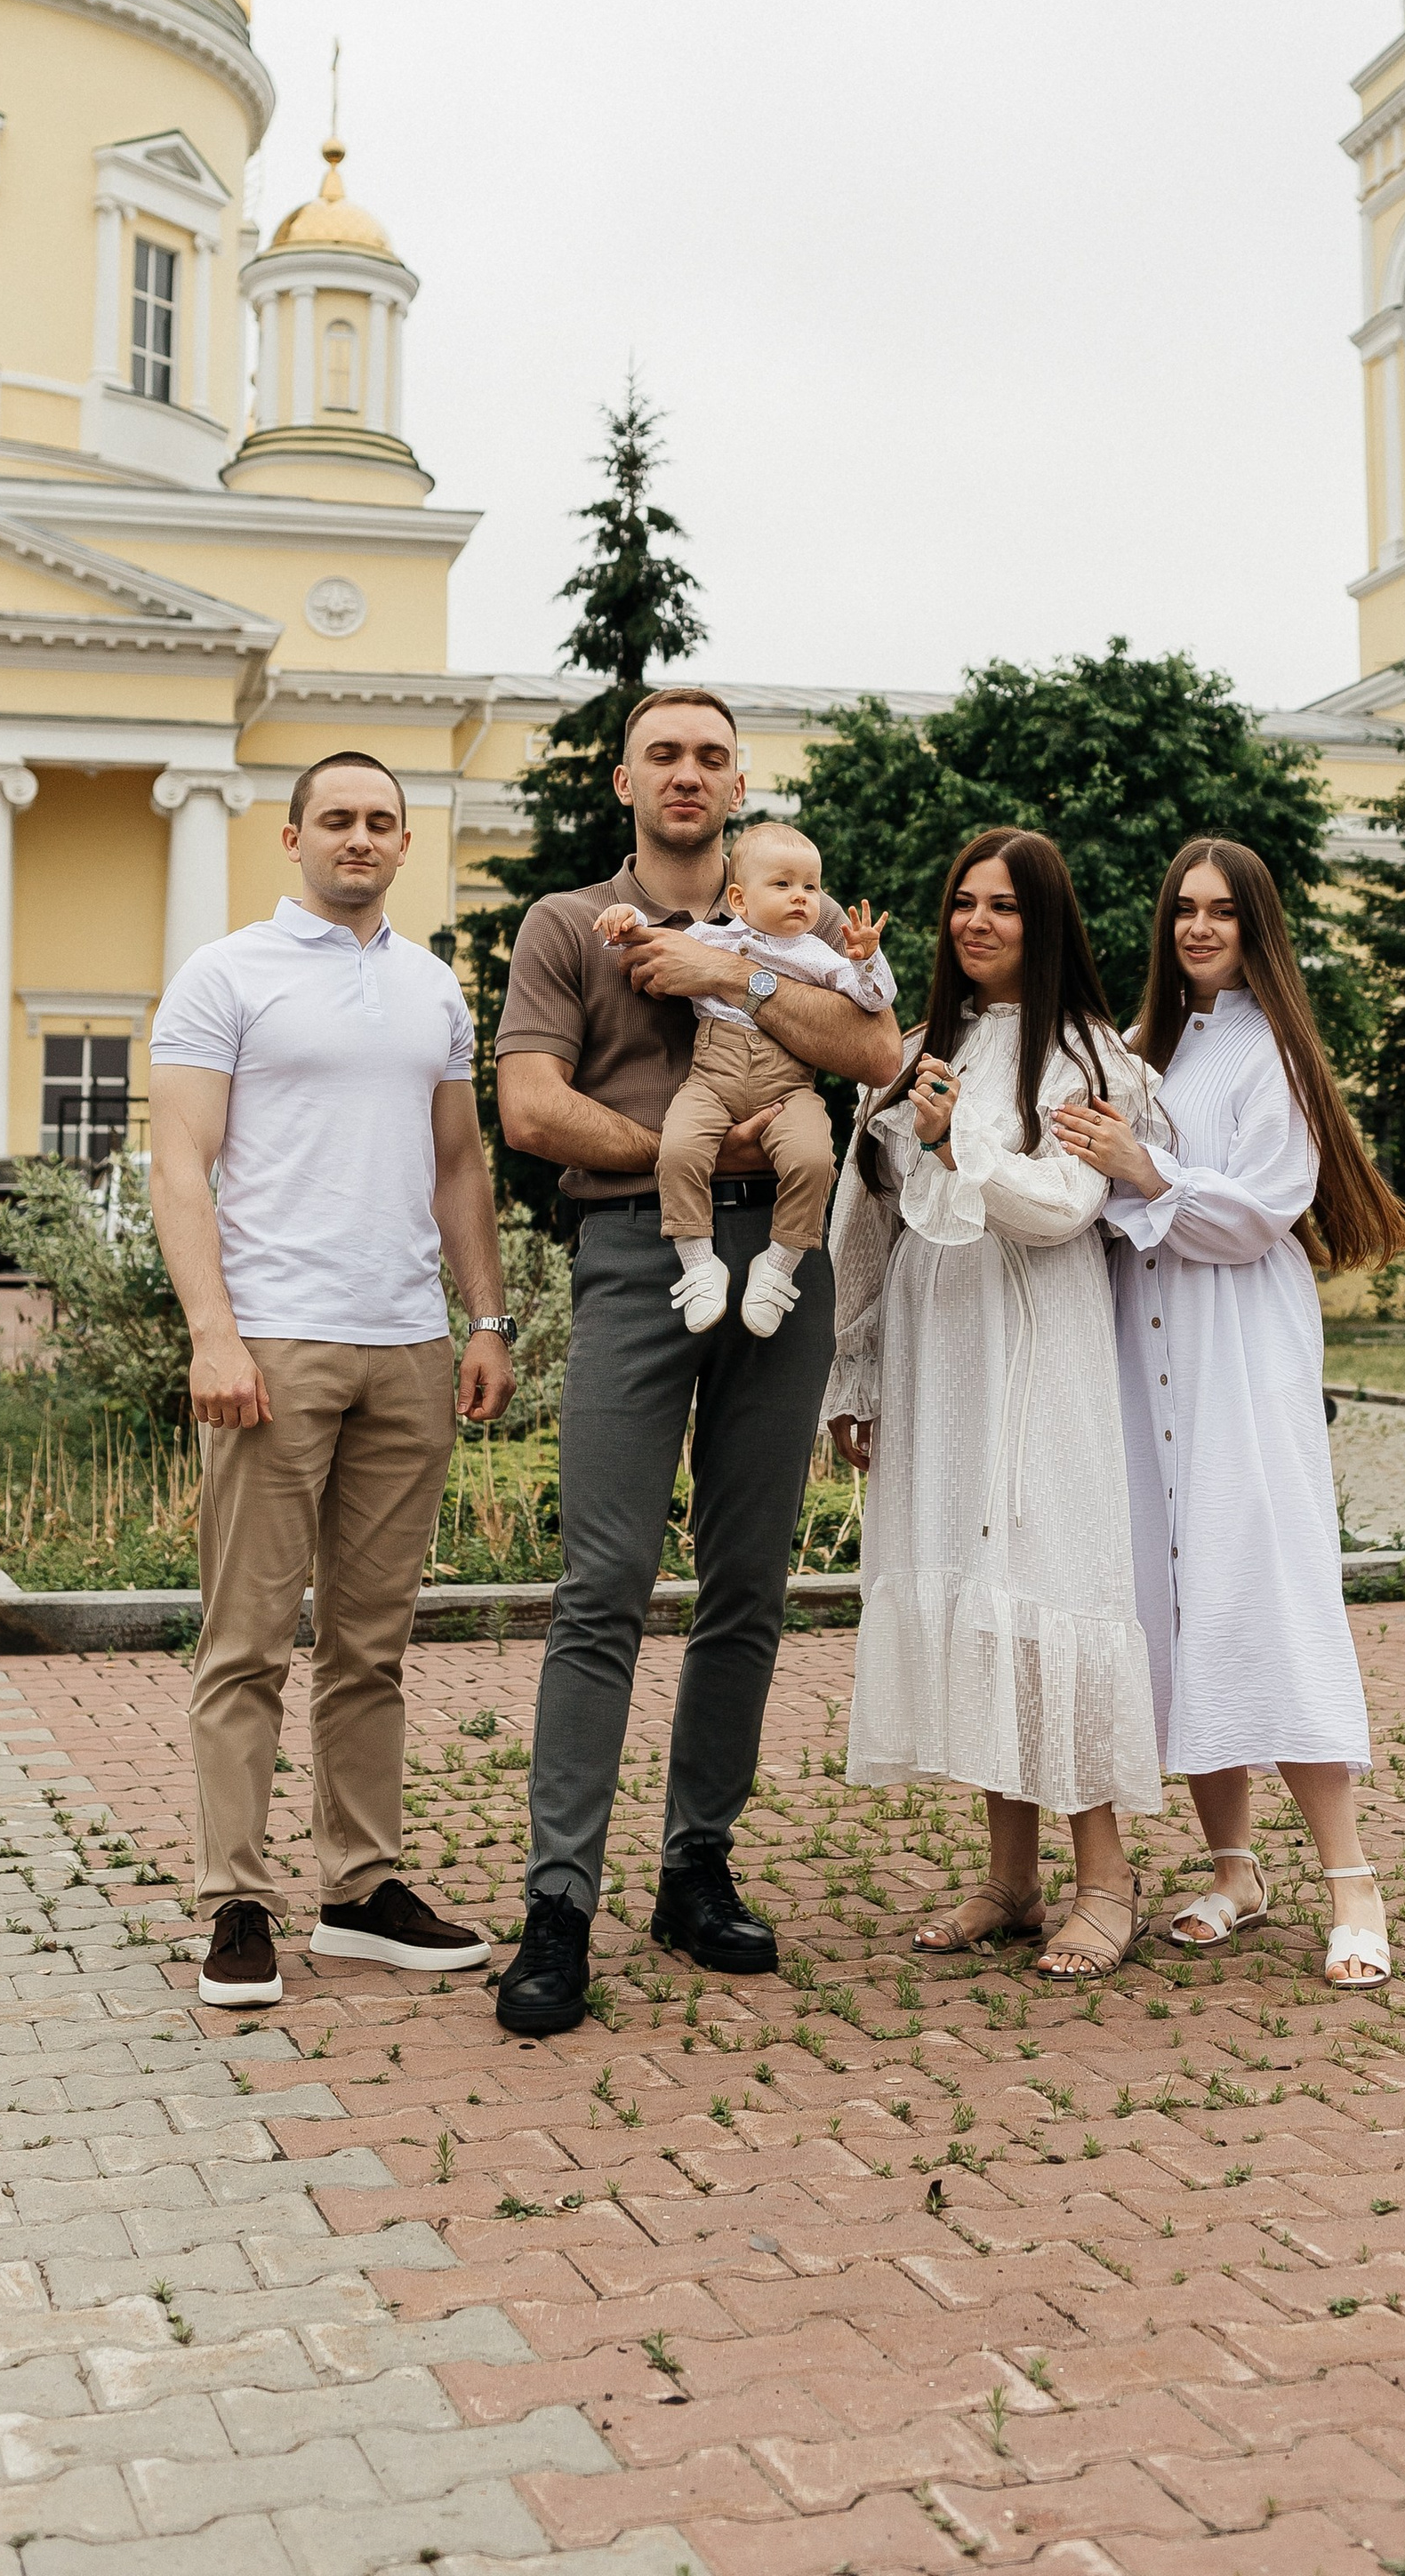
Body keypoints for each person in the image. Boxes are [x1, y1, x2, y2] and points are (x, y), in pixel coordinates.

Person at [492, 689, 904, 2035]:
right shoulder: (566, 924)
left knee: (748, 1581)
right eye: (662, 752)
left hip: (786, 1256)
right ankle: (560, 1903)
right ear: (625, 780)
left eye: (711, 756)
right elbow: (531, 1105)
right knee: (601, 1584)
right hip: (633, 1255)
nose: (687, 772)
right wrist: (684, 1145)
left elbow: (875, 1054)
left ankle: (695, 1868)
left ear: (740, 786)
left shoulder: (792, 920)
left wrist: (737, 973)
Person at [148, 751, 516, 2011]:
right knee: (245, 1640)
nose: (359, 838)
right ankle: (234, 1901)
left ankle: (361, 1891)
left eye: (382, 823)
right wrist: (213, 1331)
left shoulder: (432, 989)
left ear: (406, 845)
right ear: (293, 836)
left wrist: (487, 1317)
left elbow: (459, 1165)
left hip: (408, 1346)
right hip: (274, 1344)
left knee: (372, 1645)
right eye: (337, 820)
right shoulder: (226, 975)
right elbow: (179, 1162)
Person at [1049, 836, 1405, 1989]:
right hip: (1143, 1342)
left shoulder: (1278, 1057)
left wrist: (1145, 1172)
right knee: (1178, 1596)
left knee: (1265, 1586)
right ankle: (1234, 1865)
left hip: (1237, 1348)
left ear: (1259, 927)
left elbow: (1261, 1211)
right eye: (1183, 911)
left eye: (1222, 912)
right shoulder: (1151, 1049)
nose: (1198, 929)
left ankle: (1351, 1877)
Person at [824, 830, 1162, 1985]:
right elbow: (865, 1222)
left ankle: (1107, 1879)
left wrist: (953, 1133)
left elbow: (1061, 1209)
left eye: (1004, 908)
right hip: (940, 1357)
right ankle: (1008, 1879)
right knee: (978, 1594)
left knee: (1048, 1583)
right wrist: (853, 1372)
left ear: (1047, 921)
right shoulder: (918, 1046)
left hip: (1037, 1353)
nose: (976, 923)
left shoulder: (1086, 1060)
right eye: (962, 903)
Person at [595, 819, 894, 1338]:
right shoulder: (714, 939)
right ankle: (697, 1261)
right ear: (739, 898)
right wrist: (627, 918)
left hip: (788, 1086)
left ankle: (777, 1265)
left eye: (811, 886)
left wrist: (868, 961)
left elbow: (873, 1002)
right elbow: (656, 943)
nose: (802, 898)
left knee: (815, 1158)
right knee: (680, 1149)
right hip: (712, 1076)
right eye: (782, 884)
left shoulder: (820, 954)